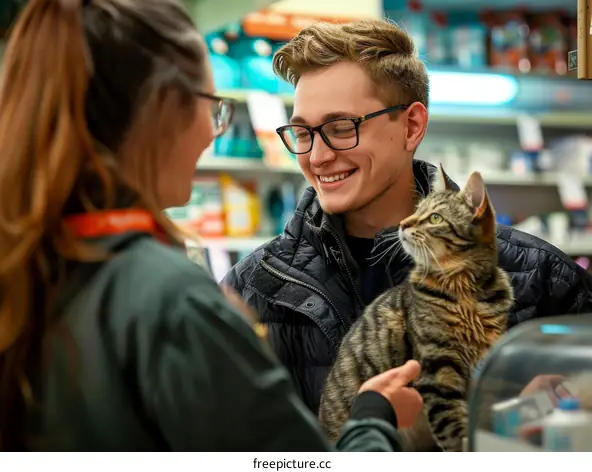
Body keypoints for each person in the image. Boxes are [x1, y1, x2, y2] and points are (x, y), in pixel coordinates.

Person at [0, 0, 424, 451]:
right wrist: (373, 419)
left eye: (340, 127)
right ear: (164, 110)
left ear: (412, 126)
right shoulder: (184, 300)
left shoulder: (30, 267)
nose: (212, 130)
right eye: (211, 104)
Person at [222, 19, 592, 416]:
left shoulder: (543, 282)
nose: (316, 156)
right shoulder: (252, 291)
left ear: (412, 126)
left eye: (341, 128)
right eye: (302, 133)